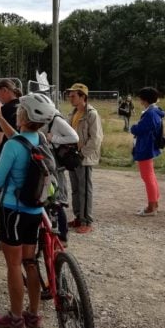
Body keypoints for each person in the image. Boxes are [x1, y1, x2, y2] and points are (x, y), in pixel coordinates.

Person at [0, 93, 56, 328]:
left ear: (24, 116)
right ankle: (33, 315)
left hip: (12, 211)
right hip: (35, 210)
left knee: (14, 265)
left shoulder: (12, 147)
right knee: (30, 262)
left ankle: (16, 318)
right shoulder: (40, 139)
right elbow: (20, 140)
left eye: (20, 110)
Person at [66, 83, 103, 234]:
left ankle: (87, 221)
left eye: (73, 96)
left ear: (83, 97)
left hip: (84, 158)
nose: (70, 98)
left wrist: (81, 154)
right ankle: (78, 218)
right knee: (75, 189)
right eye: (69, 95)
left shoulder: (92, 114)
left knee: (85, 190)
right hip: (73, 157)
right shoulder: (73, 113)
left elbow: (96, 139)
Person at [0, 79, 22, 247]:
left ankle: (3, 235)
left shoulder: (5, 111)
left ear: (5, 90)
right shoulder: (24, 106)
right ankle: (18, 232)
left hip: (5, 160)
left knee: (0, 197)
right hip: (22, 160)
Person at [45, 110, 79, 245]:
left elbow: (74, 137)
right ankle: (53, 235)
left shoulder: (56, 120)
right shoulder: (45, 119)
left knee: (57, 200)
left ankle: (63, 236)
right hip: (50, 165)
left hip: (56, 166)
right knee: (49, 200)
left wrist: (54, 138)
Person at [130, 87, 164, 215]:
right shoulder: (155, 111)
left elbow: (140, 129)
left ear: (145, 99)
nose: (139, 100)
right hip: (149, 146)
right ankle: (154, 203)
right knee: (150, 175)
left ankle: (151, 207)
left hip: (145, 146)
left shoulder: (150, 113)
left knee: (147, 176)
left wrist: (134, 127)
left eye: (140, 98)